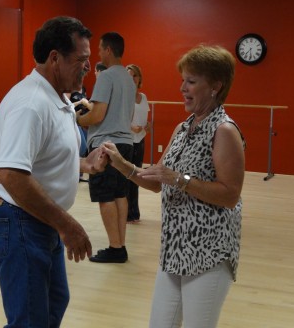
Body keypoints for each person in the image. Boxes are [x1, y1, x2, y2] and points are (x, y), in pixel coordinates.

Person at [101, 45, 246, 327]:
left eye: (191, 81)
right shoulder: (183, 128)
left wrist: (180, 180)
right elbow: (157, 181)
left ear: (216, 85)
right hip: (175, 250)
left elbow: (230, 195)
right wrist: (119, 163)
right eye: (183, 80)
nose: (182, 88)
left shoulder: (224, 131)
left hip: (209, 254)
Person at [0, 16, 107, 328]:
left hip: (39, 219)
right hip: (20, 221)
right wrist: (68, 225)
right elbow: (11, 175)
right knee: (30, 319)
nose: (87, 68)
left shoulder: (59, 98)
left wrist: (85, 164)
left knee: (52, 304)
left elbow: (42, 157)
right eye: (81, 60)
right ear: (55, 58)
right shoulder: (31, 104)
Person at [76, 32, 136, 263]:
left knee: (105, 196)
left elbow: (97, 115)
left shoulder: (106, 76)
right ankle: (120, 245)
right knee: (121, 194)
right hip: (125, 143)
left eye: (100, 49)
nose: (99, 54)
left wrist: (77, 120)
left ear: (108, 50)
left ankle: (115, 247)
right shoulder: (129, 79)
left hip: (105, 145)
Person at [125, 64, 150, 223]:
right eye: (129, 75)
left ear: (139, 78)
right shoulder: (123, 97)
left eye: (135, 75)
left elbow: (145, 119)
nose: (132, 78)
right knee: (127, 177)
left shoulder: (144, 97)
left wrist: (147, 126)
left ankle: (134, 212)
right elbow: (118, 119)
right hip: (127, 141)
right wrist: (130, 127)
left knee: (137, 176)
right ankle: (126, 213)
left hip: (140, 139)